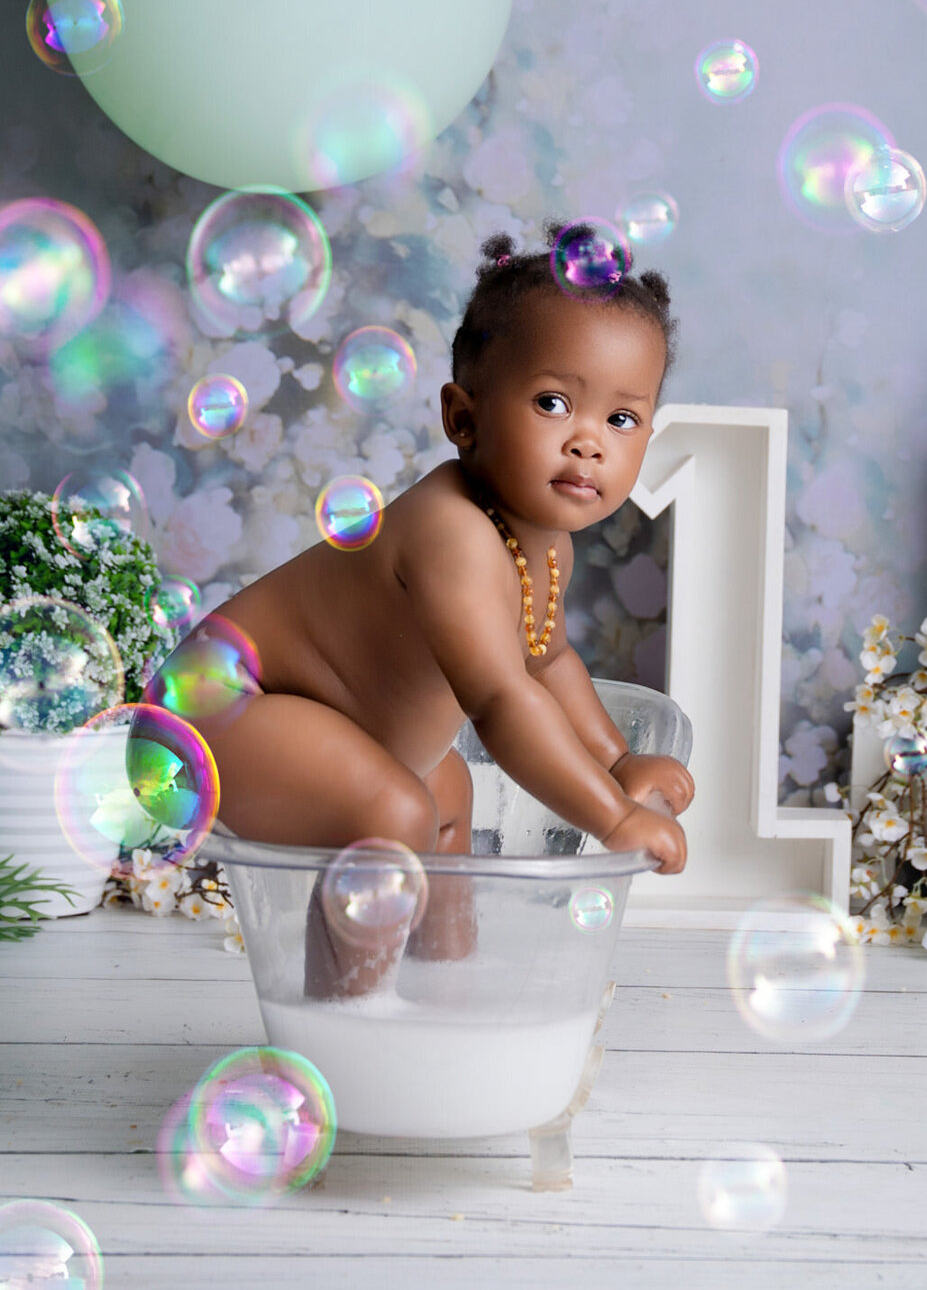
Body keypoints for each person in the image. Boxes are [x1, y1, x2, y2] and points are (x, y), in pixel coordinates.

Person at [189, 221, 694, 995]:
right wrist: (613, 815)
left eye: (621, 419)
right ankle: (344, 1022)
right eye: (554, 402)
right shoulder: (453, 532)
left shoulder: (542, 540)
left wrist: (617, 761)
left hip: (319, 716)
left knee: (445, 792)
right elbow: (500, 698)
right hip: (220, 705)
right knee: (393, 809)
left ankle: (446, 984)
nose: (589, 440)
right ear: (463, 418)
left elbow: (547, 660)